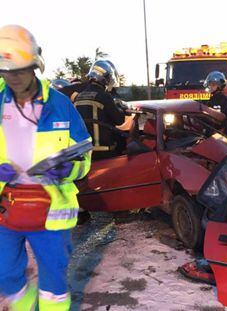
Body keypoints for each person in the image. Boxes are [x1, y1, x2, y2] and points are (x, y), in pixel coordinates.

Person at [0, 25, 91, 311]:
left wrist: (68, 168)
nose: (13, 78)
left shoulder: (62, 106)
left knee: (54, 286)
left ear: (36, 66)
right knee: (5, 275)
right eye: (6, 71)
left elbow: (84, 155)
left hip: (52, 215)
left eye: (20, 70)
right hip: (5, 210)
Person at [74, 59, 125, 160]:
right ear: (105, 79)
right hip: (104, 151)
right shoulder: (104, 96)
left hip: (85, 152)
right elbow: (119, 120)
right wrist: (120, 108)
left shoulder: (78, 97)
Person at [204, 71, 227, 136]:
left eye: (213, 85)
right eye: (210, 84)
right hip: (210, 132)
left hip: (221, 134)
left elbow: (226, 118)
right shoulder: (210, 100)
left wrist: (220, 130)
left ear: (220, 86)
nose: (210, 87)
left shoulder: (224, 100)